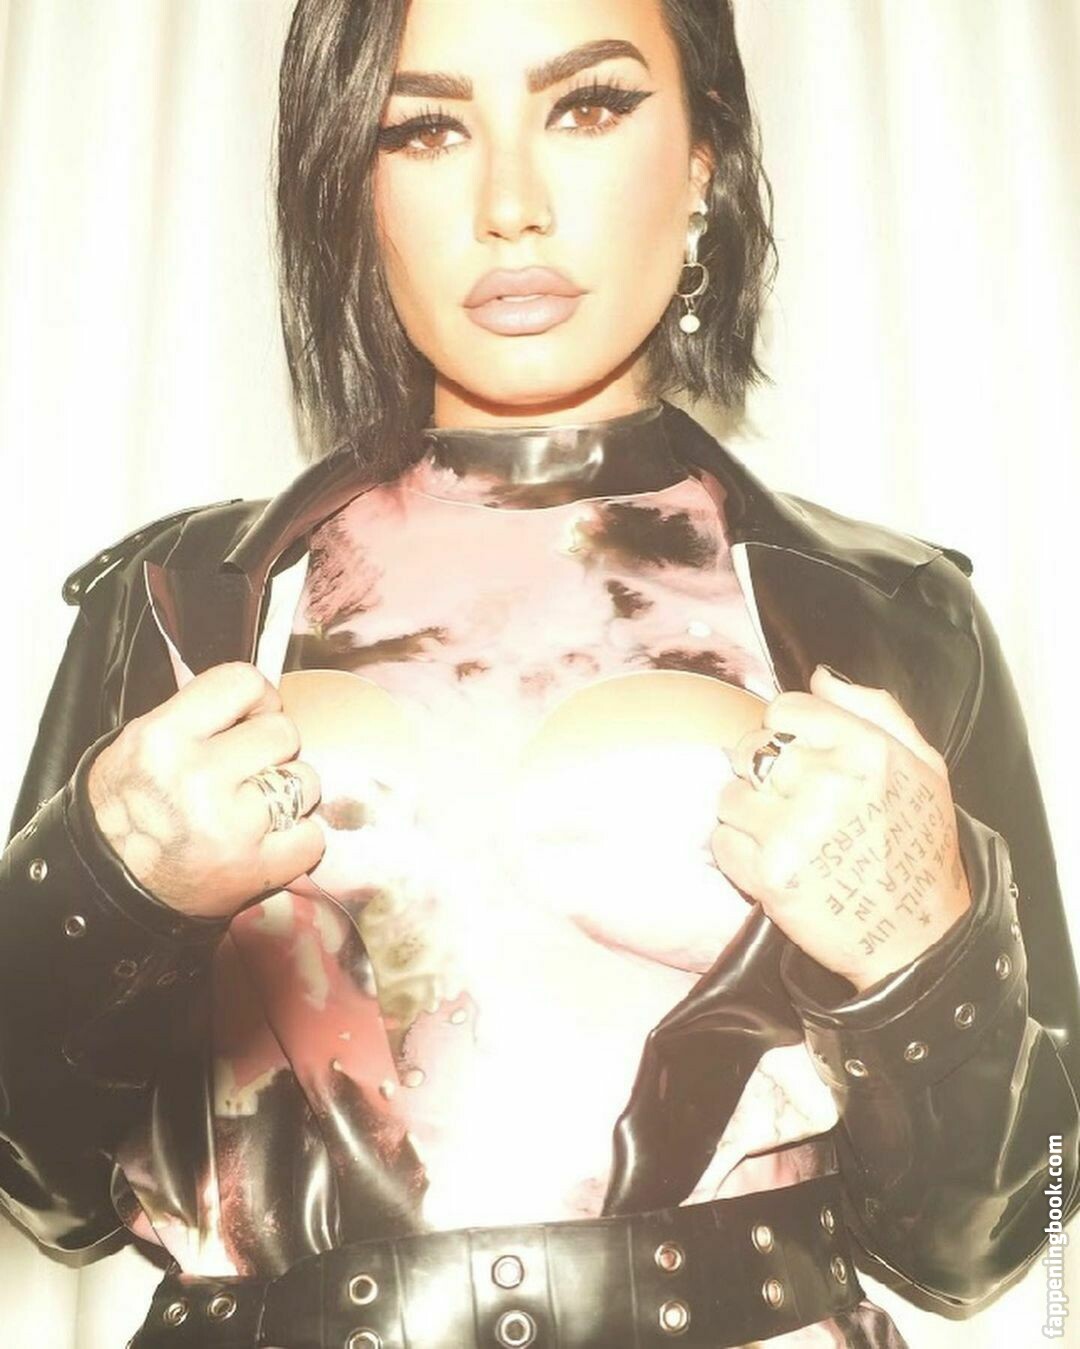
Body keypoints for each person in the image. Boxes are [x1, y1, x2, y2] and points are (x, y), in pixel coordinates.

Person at [1, 1, 1077, 1345]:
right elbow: (45, 1192)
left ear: (704, 161)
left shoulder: (891, 614)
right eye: (427, 128)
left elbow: (1006, 1234)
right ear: (350, 184)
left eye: (588, 106)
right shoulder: (176, 609)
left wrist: (926, 955)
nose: (511, 204)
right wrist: (102, 888)